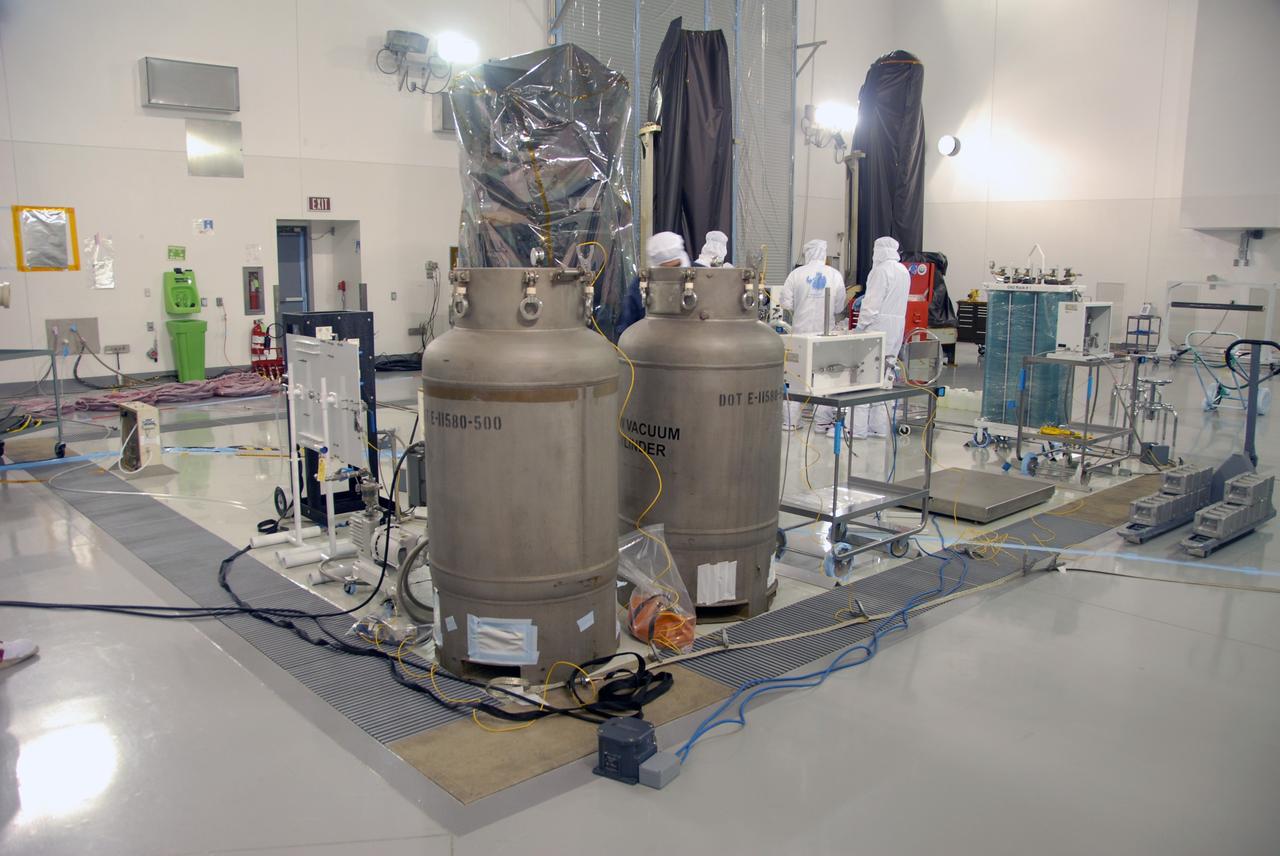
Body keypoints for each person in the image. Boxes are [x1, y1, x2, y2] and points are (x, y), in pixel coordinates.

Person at [780, 239, 846, 433]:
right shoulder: (834, 274)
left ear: (807, 253)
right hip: (825, 336)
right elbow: (839, 307)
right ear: (824, 254)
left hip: (800, 334)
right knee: (825, 378)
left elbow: (786, 303)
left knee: (795, 377)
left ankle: (791, 422)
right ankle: (822, 423)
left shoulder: (796, 274)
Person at [851, 236, 910, 438]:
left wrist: (859, 327)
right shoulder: (903, 271)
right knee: (886, 377)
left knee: (865, 376)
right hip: (896, 327)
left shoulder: (880, 271)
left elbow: (871, 305)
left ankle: (857, 429)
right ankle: (879, 426)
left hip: (877, 327)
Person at [616, 231, 690, 339]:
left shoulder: (699, 276)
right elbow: (625, 328)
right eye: (666, 270)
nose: (673, 274)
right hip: (651, 342)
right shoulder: (640, 286)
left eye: (677, 266)